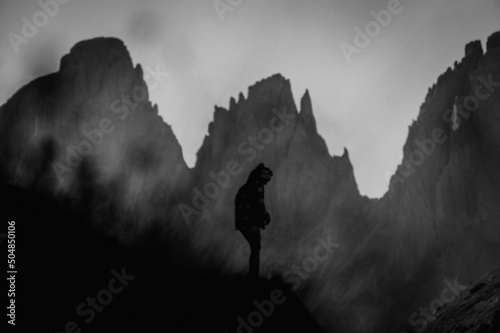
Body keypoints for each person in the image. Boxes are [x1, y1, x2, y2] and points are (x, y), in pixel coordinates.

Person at [234, 163, 273, 278]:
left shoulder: (244, 187)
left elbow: (237, 203)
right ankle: (254, 276)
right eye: (267, 179)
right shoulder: (258, 187)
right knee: (256, 249)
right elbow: (260, 204)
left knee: (254, 247)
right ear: (263, 177)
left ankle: (253, 276)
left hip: (241, 222)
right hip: (252, 222)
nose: (267, 182)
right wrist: (266, 216)